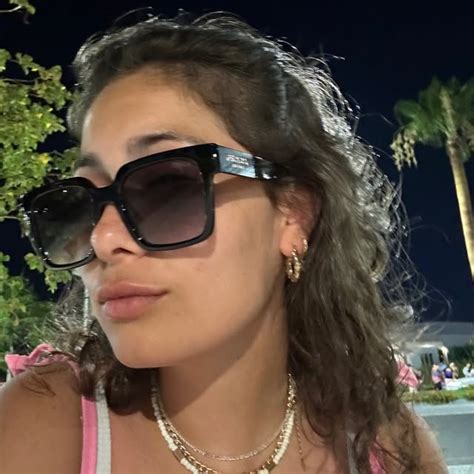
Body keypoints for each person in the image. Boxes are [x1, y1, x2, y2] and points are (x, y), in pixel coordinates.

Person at [0, 10, 447, 474]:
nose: (104, 237)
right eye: (81, 206)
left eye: (167, 187)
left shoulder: (389, 448)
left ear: (293, 214)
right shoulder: (42, 428)